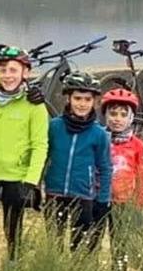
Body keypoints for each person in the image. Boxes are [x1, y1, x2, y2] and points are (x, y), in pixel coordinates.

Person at [0, 44, 49, 261]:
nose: (7, 75)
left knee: (13, 231)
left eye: (13, 70)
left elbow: (40, 145)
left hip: (16, 177)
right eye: (3, 69)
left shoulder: (35, 106)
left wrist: (31, 181)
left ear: (25, 73)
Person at [43, 72, 112, 250]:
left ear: (95, 102)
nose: (82, 104)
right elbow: (43, 156)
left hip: (83, 196)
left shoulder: (99, 134)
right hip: (54, 193)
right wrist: (35, 186)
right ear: (68, 98)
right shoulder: (54, 126)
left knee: (79, 248)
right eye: (77, 98)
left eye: (87, 99)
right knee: (53, 246)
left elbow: (105, 168)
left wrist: (103, 200)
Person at [99, 88, 143, 271]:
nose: (117, 119)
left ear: (130, 117)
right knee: (92, 241)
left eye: (123, 114)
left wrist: (138, 205)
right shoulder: (99, 139)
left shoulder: (137, 145)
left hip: (124, 203)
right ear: (105, 115)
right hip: (99, 199)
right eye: (112, 113)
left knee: (120, 245)